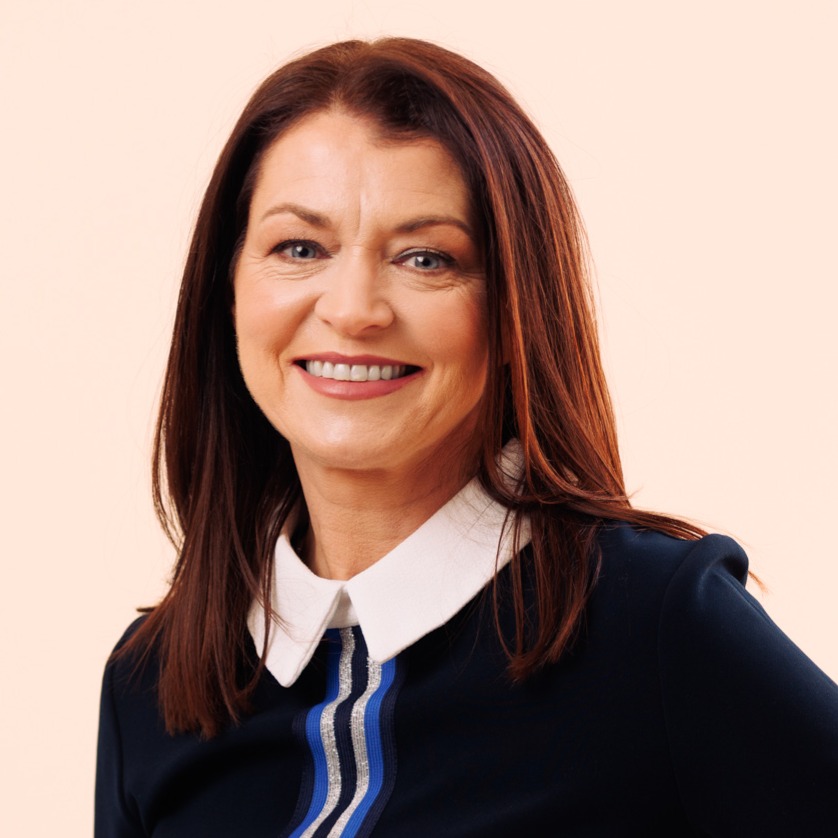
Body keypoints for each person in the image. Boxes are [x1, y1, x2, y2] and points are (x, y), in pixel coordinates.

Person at [95, 38, 838, 837]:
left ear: (516, 309)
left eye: (426, 259)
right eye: (299, 248)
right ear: (229, 290)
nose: (353, 310)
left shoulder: (654, 622)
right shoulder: (151, 683)